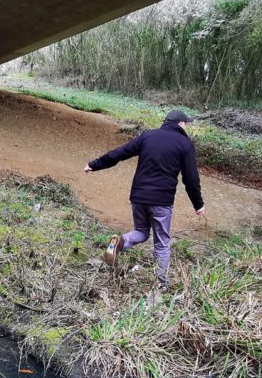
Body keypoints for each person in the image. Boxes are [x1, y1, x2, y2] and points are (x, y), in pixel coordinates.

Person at [84, 109, 204, 287]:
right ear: (181, 124)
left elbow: (120, 153)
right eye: (186, 123)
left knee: (141, 231)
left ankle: (120, 242)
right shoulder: (184, 143)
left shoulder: (148, 136)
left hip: (138, 196)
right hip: (161, 201)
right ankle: (161, 285)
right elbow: (191, 178)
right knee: (162, 243)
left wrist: (94, 165)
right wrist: (198, 204)